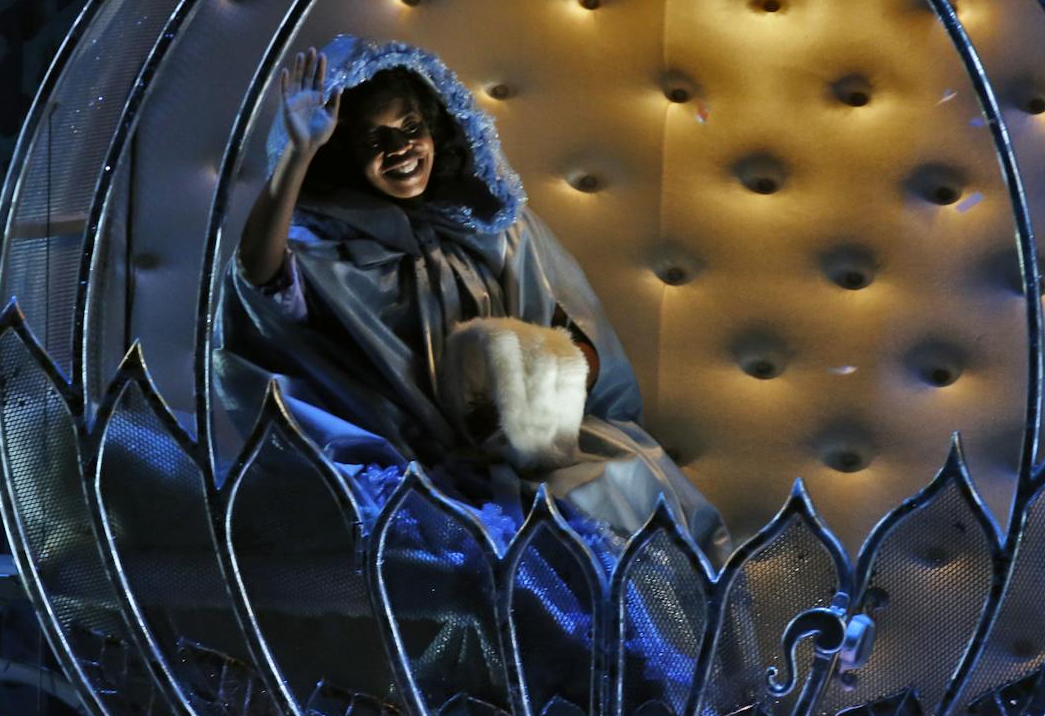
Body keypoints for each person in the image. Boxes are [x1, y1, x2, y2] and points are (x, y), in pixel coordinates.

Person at [215, 35, 728, 564]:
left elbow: (574, 336)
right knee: (530, 539)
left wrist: (538, 384)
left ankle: (644, 645)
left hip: (535, 448)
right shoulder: (330, 255)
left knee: (635, 494)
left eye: (411, 129)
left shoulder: (497, 228)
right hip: (418, 465)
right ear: (344, 155)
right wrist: (298, 154)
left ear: (438, 130)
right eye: (375, 140)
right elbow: (260, 278)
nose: (400, 150)